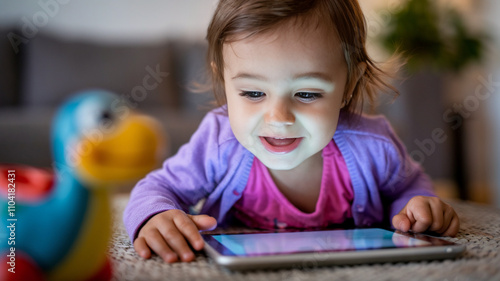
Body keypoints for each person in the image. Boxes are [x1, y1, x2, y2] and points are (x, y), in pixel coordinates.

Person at [124, 0, 460, 263]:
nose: (279, 117)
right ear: (224, 80)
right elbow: (158, 186)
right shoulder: (219, 141)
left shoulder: (372, 145)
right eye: (253, 93)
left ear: (349, 84)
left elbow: (408, 186)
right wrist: (156, 215)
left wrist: (417, 208)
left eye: (307, 93)